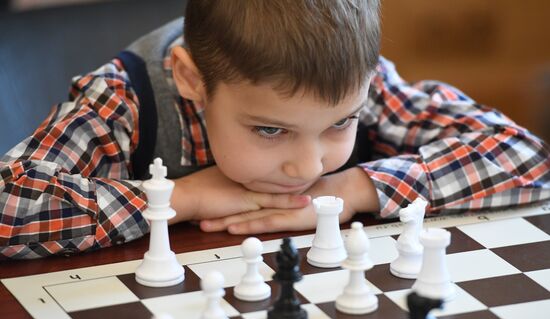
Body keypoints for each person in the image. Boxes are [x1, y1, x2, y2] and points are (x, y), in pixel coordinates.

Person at [1, 0, 549, 259]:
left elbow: (526, 157)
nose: (309, 167)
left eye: (340, 124)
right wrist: (181, 198)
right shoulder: (121, 99)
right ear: (191, 80)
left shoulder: (361, 82)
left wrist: (351, 189)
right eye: (270, 130)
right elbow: (7, 202)